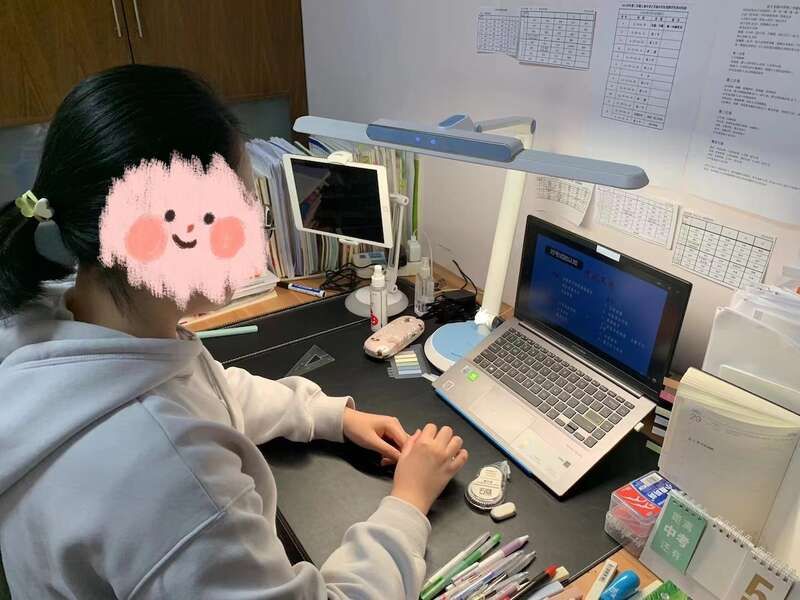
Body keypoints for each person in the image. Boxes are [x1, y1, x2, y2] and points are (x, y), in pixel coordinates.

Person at [0, 65, 468, 599]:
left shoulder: (59, 321)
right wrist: (408, 504)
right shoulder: (171, 475)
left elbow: (207, 390)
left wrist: (329, 416)